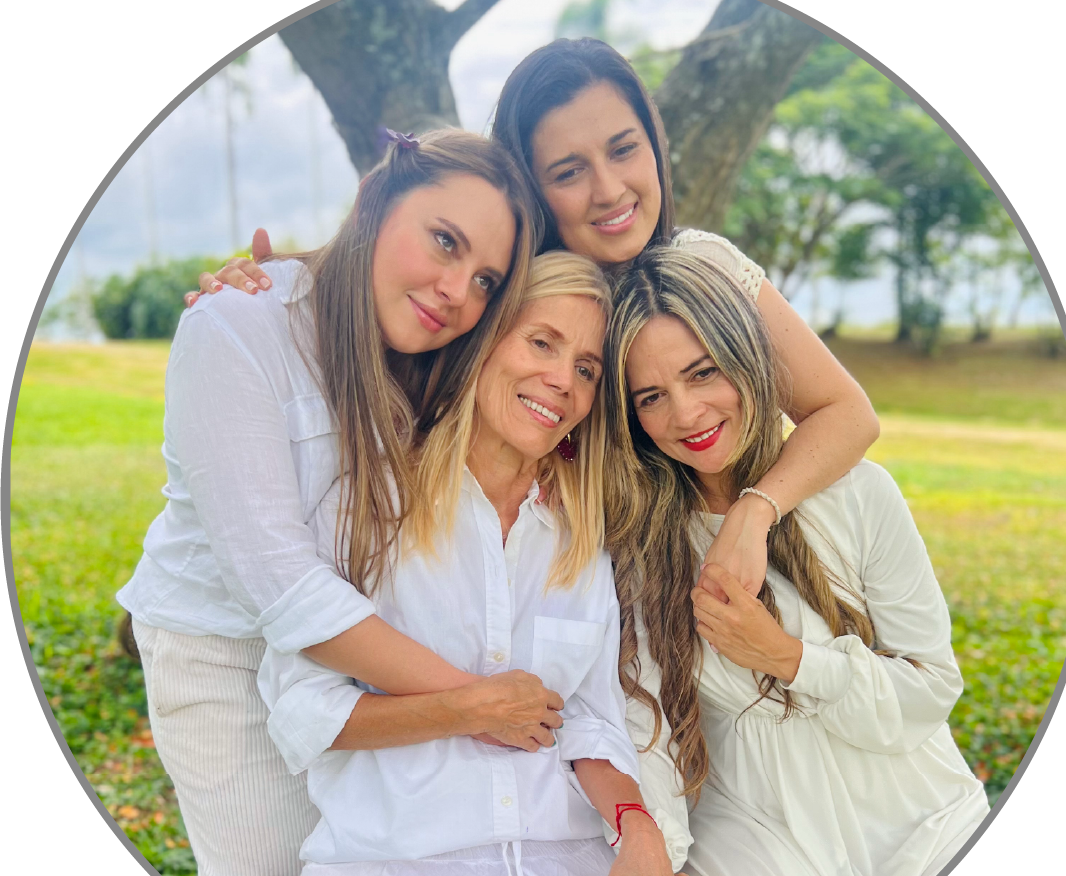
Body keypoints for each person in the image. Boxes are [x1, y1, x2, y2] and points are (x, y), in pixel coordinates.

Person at [190, 37, 881, 603]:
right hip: (563, 594)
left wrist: (757, 510)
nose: (608, 189)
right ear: (534, 185)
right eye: (569, 171)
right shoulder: (506, 292)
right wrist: (285, 277)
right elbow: (397, 283)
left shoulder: (707, 270)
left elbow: (848, 413)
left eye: (624, 149)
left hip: (731, 568)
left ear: (655, 144)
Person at [260, 251, 693, 876]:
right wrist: (463, 709)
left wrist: (637, 829)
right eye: (541, 343)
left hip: (566, 865)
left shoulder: (576, 535)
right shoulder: (367, 506)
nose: (562, 381)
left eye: (588, 369)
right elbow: (302, 712)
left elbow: (590, 716)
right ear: (484, 343)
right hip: (397, 871)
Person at [117, 129, 554, 876]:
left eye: (486, 280)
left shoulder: (433, 364)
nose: (458, 291)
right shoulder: (236, 326)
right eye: (444, 241)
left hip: (368, 660)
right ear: (372, 199)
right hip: (229, 655)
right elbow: (282, 588)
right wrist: (471, 702)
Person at [602, 247, 990, 876]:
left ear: (747, 358)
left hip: (910, 820)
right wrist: (660, 856)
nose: (685, 414)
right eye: (651, 396)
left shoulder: (858, 495)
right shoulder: (642, 542)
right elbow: (647, 720)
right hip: (756, 832)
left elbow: (931, 691)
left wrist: (788, 658)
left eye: (703, 372)